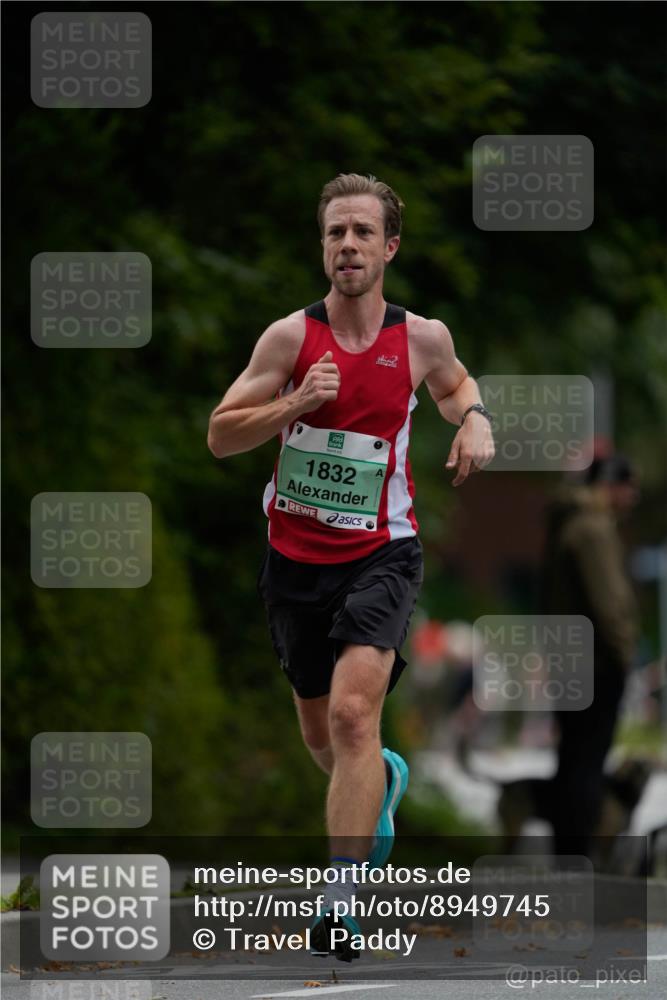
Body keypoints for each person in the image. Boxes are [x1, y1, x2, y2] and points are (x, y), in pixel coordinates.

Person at [207, 173, 495, 961]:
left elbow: (454, 383)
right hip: (294, 559)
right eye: (336, 233)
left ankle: (341, 904)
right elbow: (222, 434)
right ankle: (382, 782)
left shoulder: (420, 338)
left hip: (382, 553)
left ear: (389, 247)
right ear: (322, 246)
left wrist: (472, 421)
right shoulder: (288, 340)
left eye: (363, 233)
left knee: (350, 716)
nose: (347, 246)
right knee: (321, 734)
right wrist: (292, 406)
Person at [542, 454, 639, 858]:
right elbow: (610, 603)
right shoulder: (593, 530)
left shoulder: (566, 523)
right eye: (627, 486)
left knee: (571, 756)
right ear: (609, 486)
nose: (632, 497)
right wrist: (624, 653)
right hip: (596, 664)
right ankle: (577, 856)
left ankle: (567, 854)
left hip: (567, 659)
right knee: (587, 760)